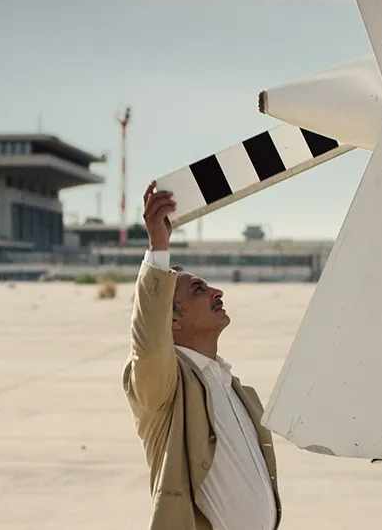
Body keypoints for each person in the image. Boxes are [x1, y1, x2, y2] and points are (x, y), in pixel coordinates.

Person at [122, 181, 282, 530]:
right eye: (199, 289)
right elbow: (148, 346)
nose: (216, 291)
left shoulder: (237, 390)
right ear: (173, 319)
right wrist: (158, 249)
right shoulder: (165, 391)